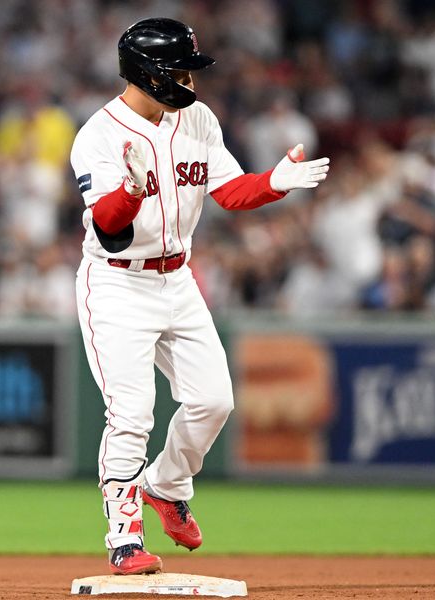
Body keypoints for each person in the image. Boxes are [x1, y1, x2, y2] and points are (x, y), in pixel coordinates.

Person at [70, 17, 330, 576]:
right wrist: (131, 191)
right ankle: (124, 536)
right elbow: (109, 227)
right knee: (132, 413)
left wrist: (274, 182)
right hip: (117, 280)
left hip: (177, 278)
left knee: (215, 401)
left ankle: (166, 485)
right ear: (150, 73)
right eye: (181, 70)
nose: (190, 80)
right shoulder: (98, 134)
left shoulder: (198, 119)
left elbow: (228, 193)